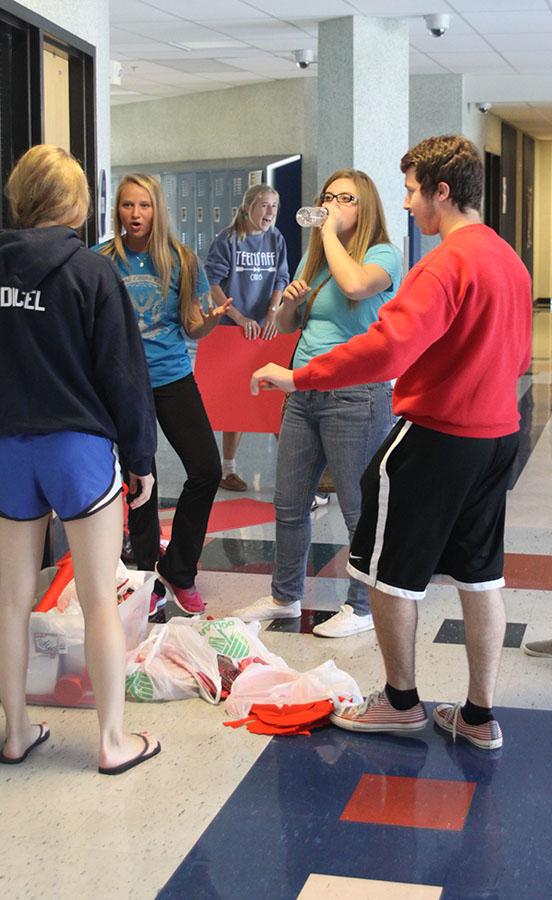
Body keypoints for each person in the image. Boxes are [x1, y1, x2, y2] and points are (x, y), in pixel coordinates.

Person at [251, 135, 533, 750]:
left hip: (435, 436)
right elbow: (517, 357)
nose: (406, 202)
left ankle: (401, 701)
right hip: (497, 438)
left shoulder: (446, 262)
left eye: (411, 189)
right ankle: (480, 718)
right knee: (481, 577)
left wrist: (299, 375)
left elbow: (388, 348)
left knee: (389, 574)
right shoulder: (509, 261)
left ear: (442, 191)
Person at [0, 145, 160, 775]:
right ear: (76, 201)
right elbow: (123, 374)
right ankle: (110, 742)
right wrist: (140, 457)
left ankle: (17, 731)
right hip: (76, 448)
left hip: (10, 450)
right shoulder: (91, 272)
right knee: (100, 595)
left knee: (11, 595)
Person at [234, 169, 402, 637]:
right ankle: (284, 596)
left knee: (356, 507)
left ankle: (363, 606)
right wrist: (288, 302)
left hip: (357, 396)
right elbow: (290, 326)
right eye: (328, 197)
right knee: (289, 502)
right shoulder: (318, 260)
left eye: (345, 198)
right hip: (303, 392)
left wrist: (326, 233)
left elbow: (355, 287)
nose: (332, 205)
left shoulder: (382, 254)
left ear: (365, 206)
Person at [95, 174, 230, 615]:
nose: (136, 214)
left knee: (206, 468)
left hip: (172, 375)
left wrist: (211, 321)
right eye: (128, 206)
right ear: (118, 210)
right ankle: (147, 576)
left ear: (158, 210)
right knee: (140, 481)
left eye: (145, 206)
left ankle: (180, 568)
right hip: (121, 384)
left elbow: (193, 325)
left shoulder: (182, 260)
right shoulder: (101, 260)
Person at [205, 184, 289, 492]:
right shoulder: (228, 240)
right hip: (234, 330)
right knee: (236, 401)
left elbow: (281, 277)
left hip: (266, 330)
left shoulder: (276, 239)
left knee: (275, 397)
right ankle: (228, 469)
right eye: (264, 206)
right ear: (248, 208)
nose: (269, 212)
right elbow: (213, 282)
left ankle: (291, 469)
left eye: (274, 207)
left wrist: (273, 312)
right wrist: (238, 316)